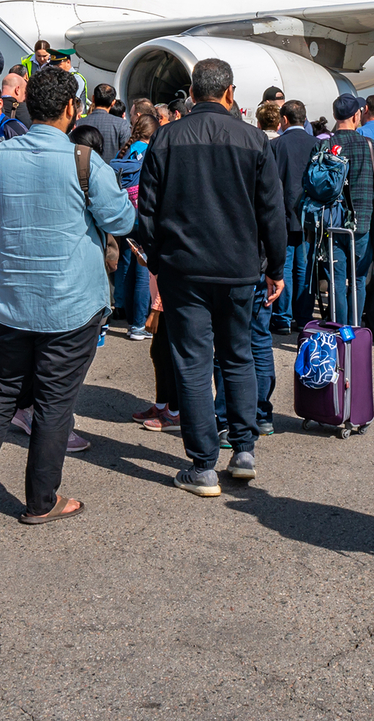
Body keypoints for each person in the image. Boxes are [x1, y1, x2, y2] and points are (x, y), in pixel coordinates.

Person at [0, 68, 135, 524]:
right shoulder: (84, 160)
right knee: (54, 403)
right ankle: (41, 500)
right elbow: (120, 220)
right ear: (71, 109)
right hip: (72, 303)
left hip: (12, 299)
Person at [133, 57, 286, 497]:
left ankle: (202, 465)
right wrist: (275, 268)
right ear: (230, 93)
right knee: (237, 356)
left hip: (184, 269)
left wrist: (157, 260)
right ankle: (243, 449)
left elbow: (148, 212)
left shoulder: (166, 137)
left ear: (193, 92)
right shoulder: (254, 138)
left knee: (194, 363)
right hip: (239, 269)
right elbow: (271, 213)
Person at [326, 92, 374, 329]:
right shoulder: (369, 146)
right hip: (361, 221)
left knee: (337, 278)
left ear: (334, 115)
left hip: (331, 220)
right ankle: (355, 326)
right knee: (359, 277)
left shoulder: (325, 144)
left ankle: (339, 325)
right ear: (357, 115)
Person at [266, 99, 314, 335]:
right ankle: (304, 317)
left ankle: (282, 318)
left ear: (283, 120)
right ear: (304, 119)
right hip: (309, 216)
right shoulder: (316, 144)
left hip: (283, 214)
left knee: (283, 267)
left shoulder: (276, 146)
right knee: (303, 267)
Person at [112, 113, 157, 341]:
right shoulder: (149, 151)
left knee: (128, 264)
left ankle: (131, 320)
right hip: (143, 214)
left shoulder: (127, 149)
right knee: (142, 268)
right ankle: (139, 324)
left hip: (126, 214)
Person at [76, 81, 130, 162]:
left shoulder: (79, 123)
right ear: (113, 103)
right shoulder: (121, 124)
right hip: (112, 171)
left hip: (84, 171)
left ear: (93, 98)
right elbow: (126, 153)